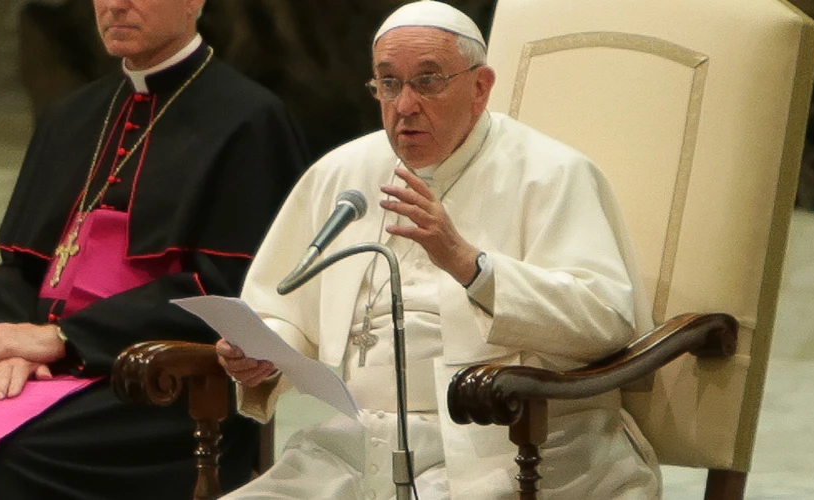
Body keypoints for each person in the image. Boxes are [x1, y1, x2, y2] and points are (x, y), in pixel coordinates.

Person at [218, 1, 661, 498]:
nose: (405, 105)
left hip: (511, 448)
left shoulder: (552, 174)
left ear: (480, 87)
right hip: (360, 446)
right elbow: (283, 309)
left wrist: (468, 265)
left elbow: (606, 318)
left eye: (427, 81)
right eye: (388, 83)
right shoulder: (341, 174)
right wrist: (263, 351)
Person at [0, 0, 308, 498]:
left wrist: (63, 339)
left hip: (162, 388)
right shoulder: (71, 116)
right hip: (46, 367)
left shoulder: (250, 120)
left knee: (21, 454)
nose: (116, 5)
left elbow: (229, 294)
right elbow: (19, 266)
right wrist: (14, 343)